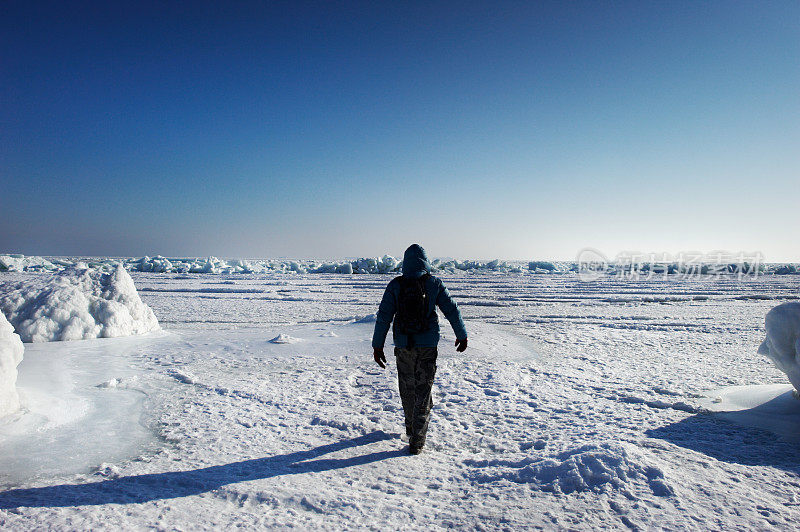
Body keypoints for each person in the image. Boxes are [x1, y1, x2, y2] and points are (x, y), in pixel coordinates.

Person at [372, 244, 468, 455]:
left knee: (407, 389)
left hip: (403, 346)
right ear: (426, 262)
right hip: (427, 346)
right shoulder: (433, 283)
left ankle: (410, 428)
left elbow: (383, 316)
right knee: (423, 392)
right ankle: (417, 441)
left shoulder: (396, 285)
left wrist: (377, 345)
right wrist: (461, 334)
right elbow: (451, 309)